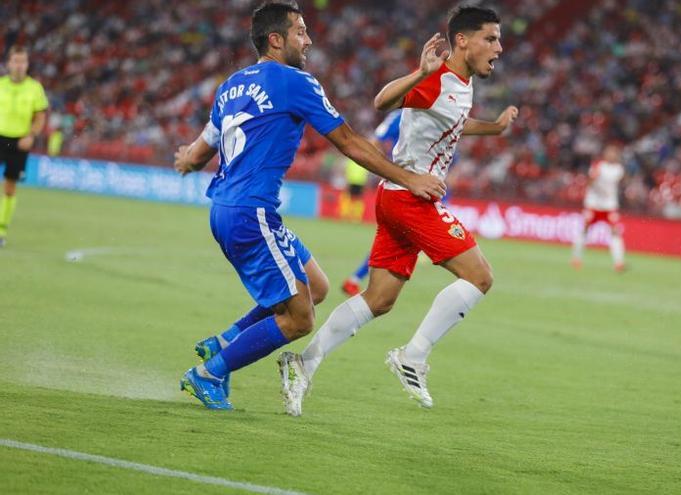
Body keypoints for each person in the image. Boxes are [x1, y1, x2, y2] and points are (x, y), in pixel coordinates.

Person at [172, 2, 445, 410]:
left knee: (315, 286)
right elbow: (350, 143)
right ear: (275, 39)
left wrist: (184, 160)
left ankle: (225, 341)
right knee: (299, 319)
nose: (309, 40)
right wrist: (409, 179)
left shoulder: (230, 85)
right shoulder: (296, 82)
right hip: (252, 213)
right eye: (300, 31)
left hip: (229, 208)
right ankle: (209, 372)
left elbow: (195, 156)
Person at [279, 5, 518, 416]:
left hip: (397, 197)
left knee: (379, 298)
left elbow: (455, 119)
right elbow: (382, 101)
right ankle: (414, 356)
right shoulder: (438, 77)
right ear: (463, 41)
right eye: (491, 38)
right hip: (411, 197)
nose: (499, 47)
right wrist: (421, 71)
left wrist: (493, 127)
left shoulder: (460, 82)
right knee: (479, 277)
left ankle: (302, 363)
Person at [341, 109, 402, 296]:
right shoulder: (401, 116)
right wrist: (391, 170)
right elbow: (376, 142)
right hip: (404, 187)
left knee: (396, 240)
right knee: (396, 240)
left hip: (412, 185)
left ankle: (355, 280)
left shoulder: (402, 116)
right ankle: (361, 284)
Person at [0, 46, 48, 248]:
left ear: (27, 64)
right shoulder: (1, 84)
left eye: (23, 61)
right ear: (9, 63)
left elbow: (40, 116)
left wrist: (32, 135)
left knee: (10, 187)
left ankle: (1, 229)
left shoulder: (35, 88)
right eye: (16, 61)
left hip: (20, 141)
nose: (19, 65)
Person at [571, 144, 626, 272]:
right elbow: (589, 183)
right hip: (593, 204)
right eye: (609, 152)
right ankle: (576, 258)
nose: (611, 155)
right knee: (585, 229)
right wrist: (593, 178)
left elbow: (618, 182)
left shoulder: (618, 169)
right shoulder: (598, 166)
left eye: (614, 153)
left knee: (615, 232)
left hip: (609, 205)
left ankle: (619, 262)